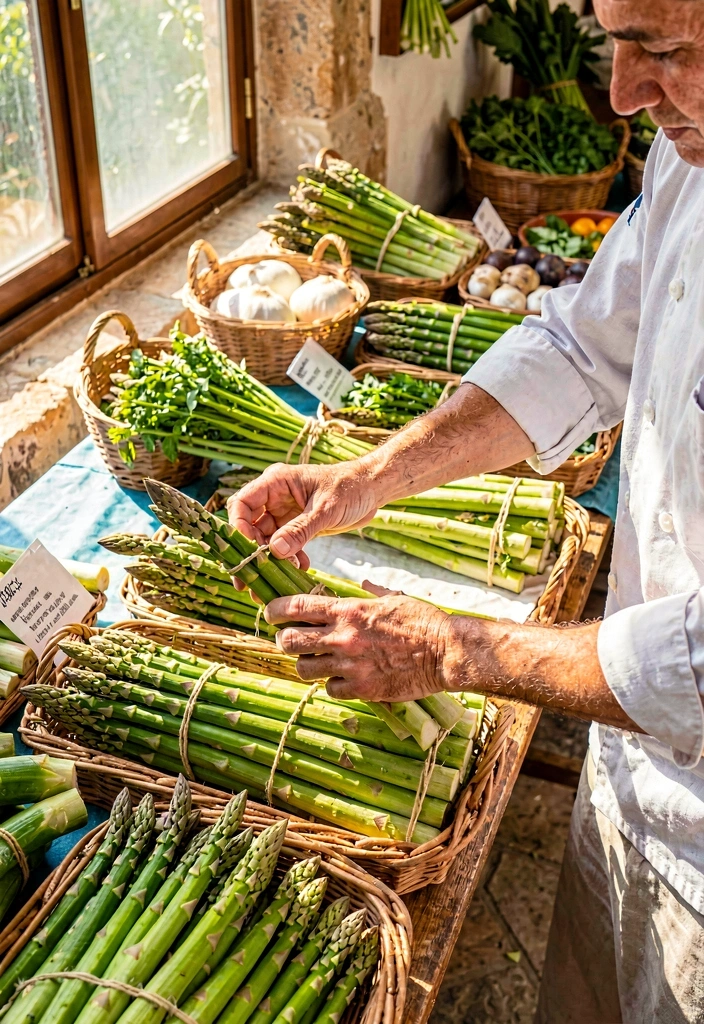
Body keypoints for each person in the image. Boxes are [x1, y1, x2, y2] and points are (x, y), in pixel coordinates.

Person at [228, 1, 704, 1020]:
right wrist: (369, 475)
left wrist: (455, 650)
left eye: (664, 51)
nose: (623, 93)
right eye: (613, 41)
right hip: (622, 764)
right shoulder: (685, 156)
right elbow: (580, 346)